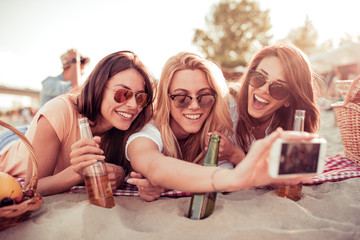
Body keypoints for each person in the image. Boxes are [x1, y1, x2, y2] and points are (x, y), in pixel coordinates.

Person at [125, 52, 314, 201]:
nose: (194, 106)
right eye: (182, 98)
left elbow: (298, 176)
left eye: (204, 97)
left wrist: (237, 160)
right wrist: (163, 181)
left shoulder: (215, 124)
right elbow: (155, 166)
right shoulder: (149, 131)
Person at [0, 51, 155, 196]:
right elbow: (31, 187)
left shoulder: (135, 126)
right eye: (123, 94)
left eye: (141, 97)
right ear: (99, 87)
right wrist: (78, 173)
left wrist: (120, 173)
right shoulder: (59, 111)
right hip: (9, 145)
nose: (133, 105)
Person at [223, 41, 320, 158]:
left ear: (289, 100)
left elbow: (291, 173)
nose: (264, 89)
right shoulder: (228, 107)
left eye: (278, 88)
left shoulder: (291, 127)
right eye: (259, 77)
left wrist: (236, 156)